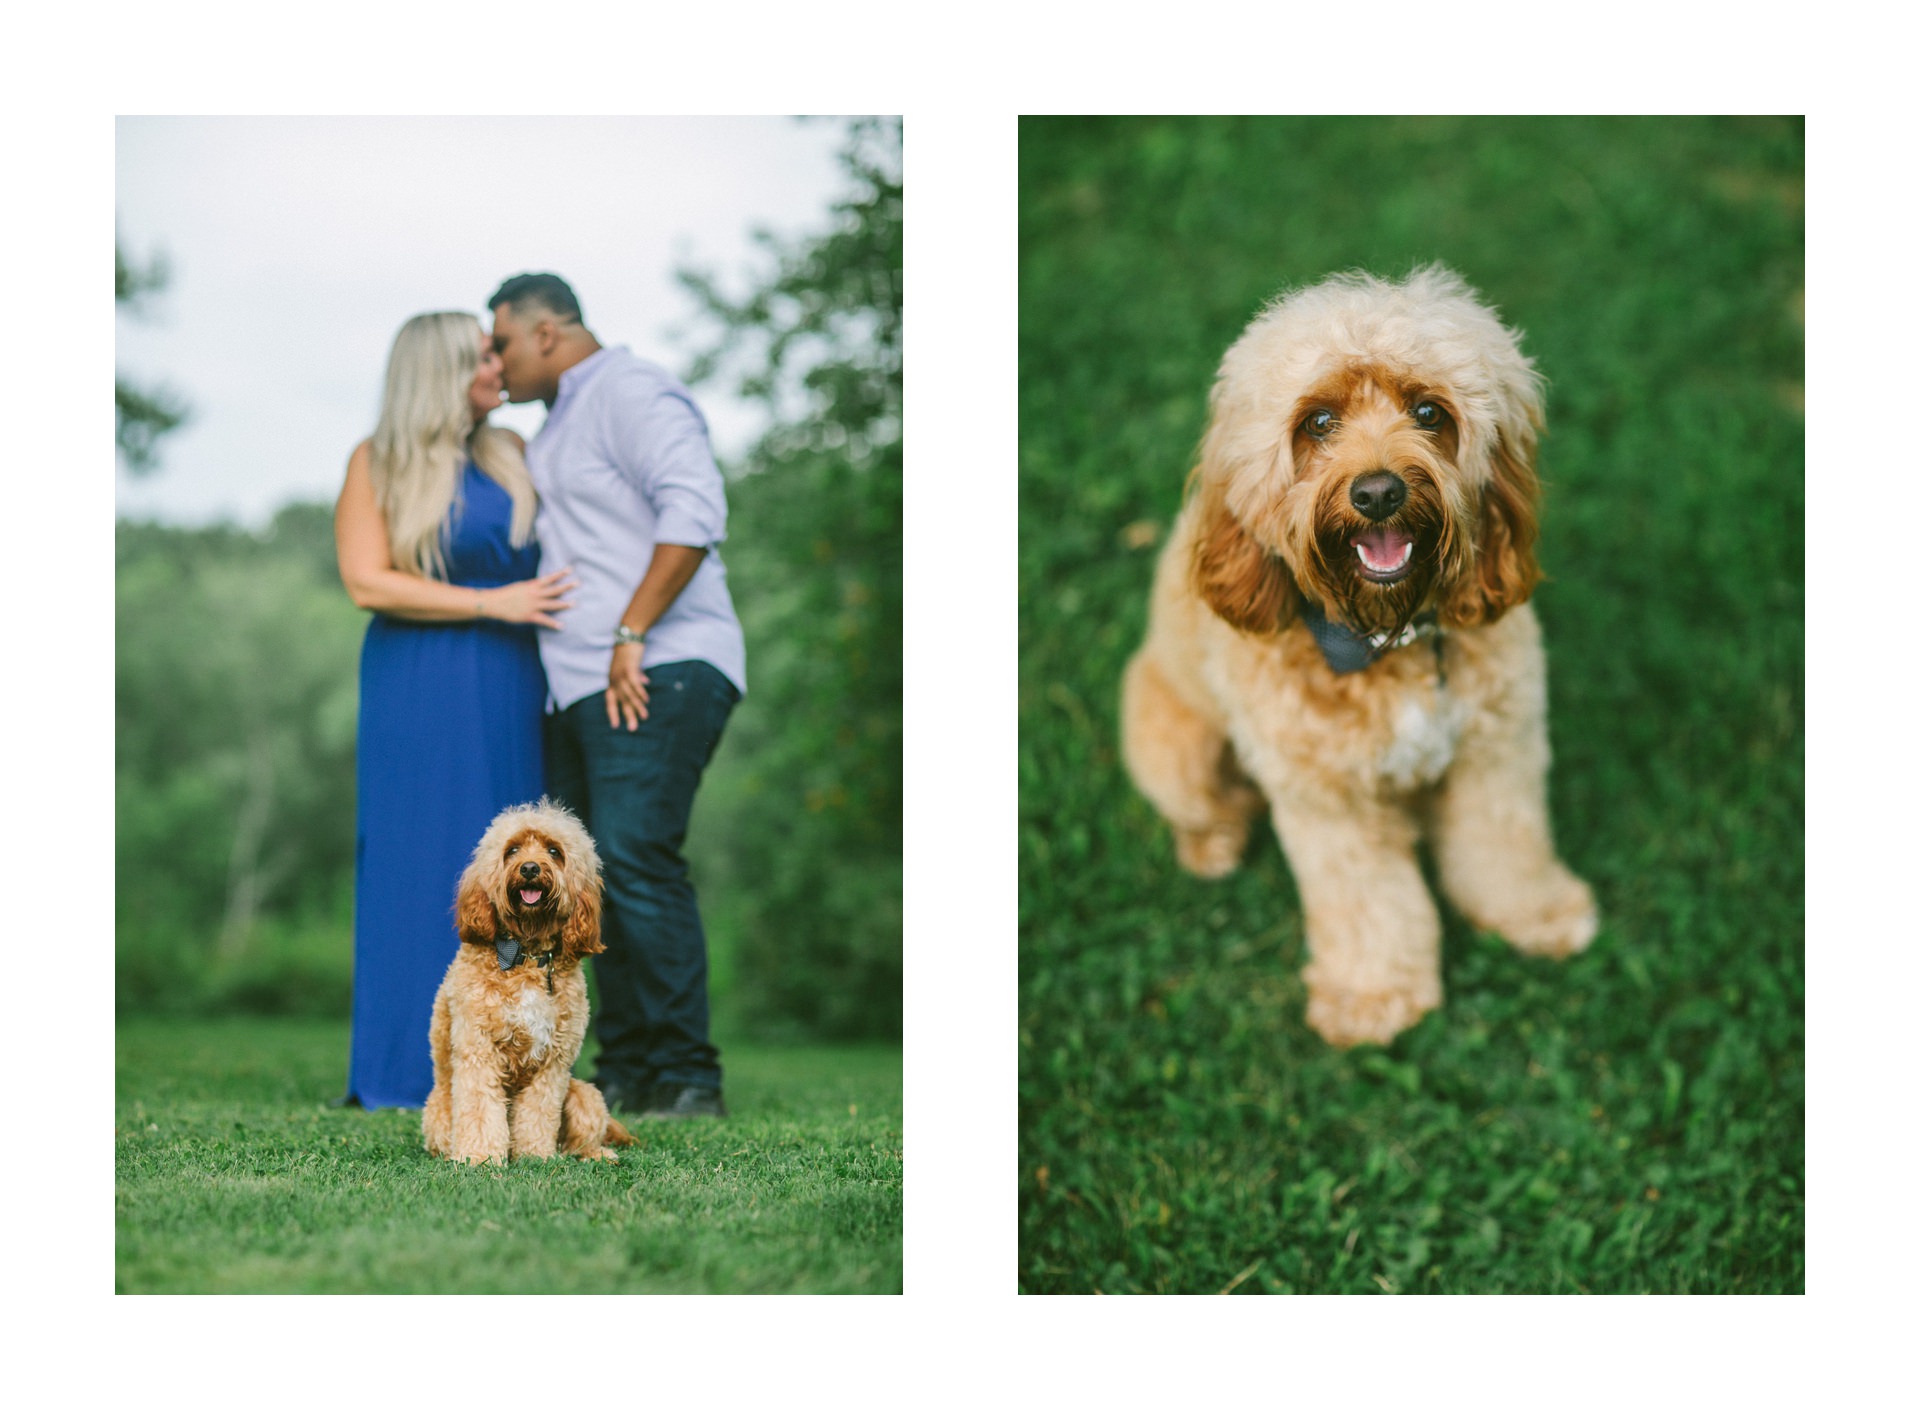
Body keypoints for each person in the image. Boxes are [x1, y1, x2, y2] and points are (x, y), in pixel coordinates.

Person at [487, 272, 744, 1119]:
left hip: (657, 666)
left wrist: (631, 632)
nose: (498, 360)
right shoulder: (560, 420)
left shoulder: (631, 390)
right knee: (591, 884)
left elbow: (696, 510)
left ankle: (688, 1074)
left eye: (504, 343)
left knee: (636, 859)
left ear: (549, 333)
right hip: (584, 685)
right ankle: (629, 1066)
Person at [333, 311, 575, 1108]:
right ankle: (405, 1071)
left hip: (508, 678)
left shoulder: (511, 453)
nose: (497, 367)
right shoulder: (379, 462)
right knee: (417, 862)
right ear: (439, 373)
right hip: (420, 681)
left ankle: (519, 1069)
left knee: (516, 864)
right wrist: (489, 601)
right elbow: (368, 581)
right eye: (481, 357)